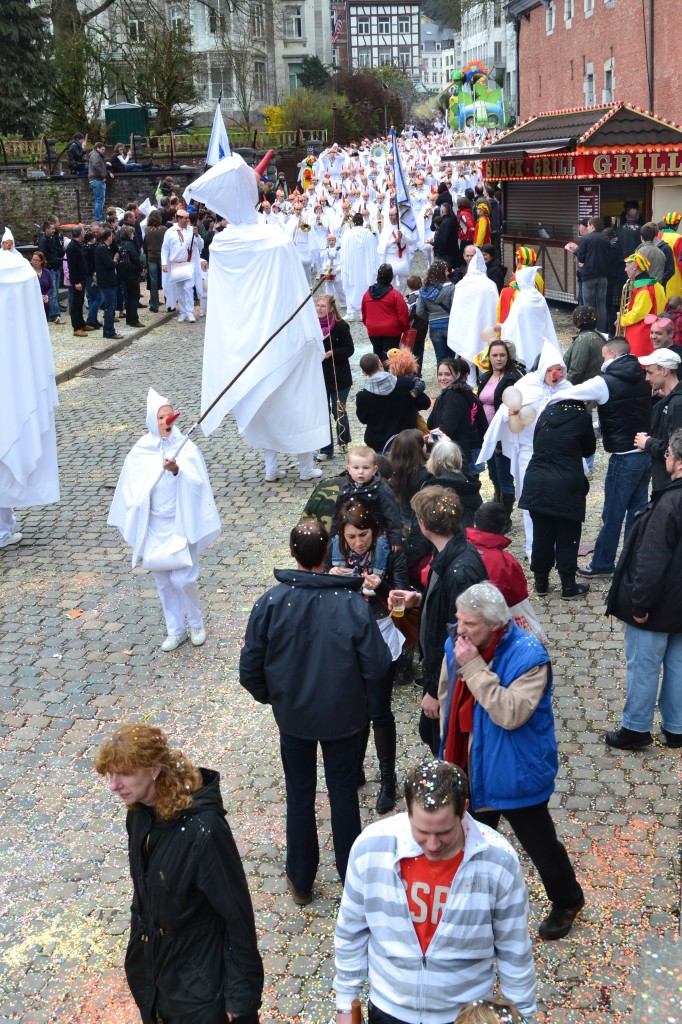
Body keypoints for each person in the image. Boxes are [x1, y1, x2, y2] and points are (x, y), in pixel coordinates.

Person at [239, 518, 392, 903]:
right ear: (328, 552)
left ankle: (302, 880)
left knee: (300, 793)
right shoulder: (350, 604)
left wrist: (276, 697)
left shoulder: (271, 602)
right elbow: (376, 664)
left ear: (293, 553)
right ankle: (351, 877)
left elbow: (250, 668)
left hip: (295, 719)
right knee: (342, 794)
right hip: (344, 717)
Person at [333, 760, 537, 1024]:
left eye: (444, 832)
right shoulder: (371, 847)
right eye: (422, 831)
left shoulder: (498, 860)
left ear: (464, 810)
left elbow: (514, 951)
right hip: (388, 1009)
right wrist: (346, 1007)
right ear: (406, 808)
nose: (432, 845)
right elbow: (351, 931)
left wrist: (523, 1017)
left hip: (463, 1016)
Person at [440, 582, 585, 939]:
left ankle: (568, 899)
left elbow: (510, 713)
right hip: (472, 769)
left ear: (494, 624)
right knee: (472, 847)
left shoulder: (529, 656)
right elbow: (447, 695)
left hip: (516, 772)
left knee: (541, 847)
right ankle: (477, 908)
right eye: (459, 620)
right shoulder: (457, 645)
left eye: (469, 623)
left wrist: (473, 668)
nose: (460, 630)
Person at [94, 723, 264, 1023]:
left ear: (155, 769)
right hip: (156, 974)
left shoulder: (205, 832)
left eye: (125, 774)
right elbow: (143, 893)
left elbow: (238, 918)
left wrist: (241, 996)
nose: (114, 785)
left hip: (199, 985)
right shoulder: (138, 814)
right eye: (111, 774)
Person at [185, 153, 330, 484]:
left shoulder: (221, 245)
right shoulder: (274, 238)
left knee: (263, 400)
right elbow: (296, 284)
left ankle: (272, 464)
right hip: (285, 332)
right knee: (298, 397)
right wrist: (310, 326)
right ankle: (304, 464)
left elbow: (223, 297)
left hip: (248, 339)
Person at [108, 388, 221, 651]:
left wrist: (176, 470)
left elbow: (198, 484)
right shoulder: (141, 451)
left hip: (180, 524)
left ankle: (195, 623)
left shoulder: (186, 448)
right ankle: (175, 628)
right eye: (160, 418)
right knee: (163, 582)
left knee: (184, 579)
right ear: (151, 422)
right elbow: (131, 487)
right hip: (155, 526)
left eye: (169, 416)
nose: (165, 422)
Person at [389, 486, 487, 754]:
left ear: (423, 524)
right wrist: (419, 600)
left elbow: (459, 638)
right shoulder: (449, 556)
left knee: (444, 745)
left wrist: (434, 691)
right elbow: (448, 610)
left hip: (450, 681)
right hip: (440, 674)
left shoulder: (459, 570)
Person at [545, 337, 652, 580]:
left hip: (623, 457)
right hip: (644, 455)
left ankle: (603, 562)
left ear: (613, 356)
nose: (602, 362)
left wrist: (547, 402)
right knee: (636, 513)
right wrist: (596, 426)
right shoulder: (643, 376)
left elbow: (566, 394)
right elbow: (624, 414)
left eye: (604, 357)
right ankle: (632, 563)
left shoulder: (605, 382)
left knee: (612, 514)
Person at [328, 502, 409, 812]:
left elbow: (403, 602)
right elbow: (320, 594)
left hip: (381, 634)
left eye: (363, 535)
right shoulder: (333, 550)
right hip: (347, 638)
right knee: (356, 707)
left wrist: (385, 587)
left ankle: (388, 779)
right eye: (351, 537)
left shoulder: (390, 551)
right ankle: (357, 768)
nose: (358, 542)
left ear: (374, 533)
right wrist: (330, 578)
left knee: (378, 709)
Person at [605, 427, 682, 750]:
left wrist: (639, 604)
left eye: (668, 453)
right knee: (677, 664)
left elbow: (650, 559)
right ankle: (677, 727)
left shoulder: (669, 504)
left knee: (645, 665)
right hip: (678, 603)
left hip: (659, 602)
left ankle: (635, 728)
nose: (664, 456)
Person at [479, 342, 572, 562]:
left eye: (557, 369)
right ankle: (534, 549)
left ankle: (555, 546)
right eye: (549, 369)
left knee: (555, 501)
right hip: (528, 453)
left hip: (556, 455)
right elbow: (503, 414)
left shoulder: (568, 389)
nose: (554, 374)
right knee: (530, 503)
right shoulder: (526, 385)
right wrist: (511, 414)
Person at [0, 246, 60, 549]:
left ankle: (4, 527)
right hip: (16, 367)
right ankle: (3, 527)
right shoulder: (19, 269)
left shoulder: (18, 269)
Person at [518, 397, 595, 598]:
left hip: (536, 481)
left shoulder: (545, 414)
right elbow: (589, 450)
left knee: (542, 535)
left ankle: (541, 584)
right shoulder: (583, 417)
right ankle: (568, 586)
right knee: (567, 535)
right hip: (566, 484)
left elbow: (537, 444)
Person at [476, 340, 521, 524]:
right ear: (489, 358)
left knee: (504, 477)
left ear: (507, 356)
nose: (498, 358)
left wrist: (501, 442)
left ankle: (505, 518)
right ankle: (498, 509)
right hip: (488, 437)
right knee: (493, 474)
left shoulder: (513, 378)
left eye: (502, 355)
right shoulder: (485, 377)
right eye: (494, 355)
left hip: (503, 436)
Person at [355, 353, 430, 455]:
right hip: (407, 443)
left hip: (379, 445)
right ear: (380, 363)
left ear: (363, 372)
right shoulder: (406, 383)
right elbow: (426, 404)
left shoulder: (362, 396)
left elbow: (363, 419)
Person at [331, 444, 403, 549]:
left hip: (377, 533)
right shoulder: (346, 489)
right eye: (356, 468)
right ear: (348, 469)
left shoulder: (382, 490)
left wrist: (395, 539)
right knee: (338, 544)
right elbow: (337, 514)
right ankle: (339, 564)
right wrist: (333, 534)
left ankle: (378, 566)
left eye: (365, 468)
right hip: (351, 532)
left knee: (381, 549)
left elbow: (392, 516)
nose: (361, 472)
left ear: (374, 470)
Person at [427, 357, 488, 473]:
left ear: (457, 375)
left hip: (456, 454)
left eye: (447, 374)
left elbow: (446, 430)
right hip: (465, 450)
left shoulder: (453, 396)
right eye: (439, 374)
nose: (442, 378)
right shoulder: (464, 393)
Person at [447, 248, 499, 382]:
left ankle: (470, 384)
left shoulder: (461, 285)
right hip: (485, 327)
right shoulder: (489, 285)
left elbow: (457, 310)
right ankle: (484, 384)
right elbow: (494, 308)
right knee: (485, 361)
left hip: (466, 329)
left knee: (467, 362)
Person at [634, 349, 682, 490]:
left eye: (650, 372)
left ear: (665, 371)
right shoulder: (669, 400)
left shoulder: (677, 403)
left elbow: (677, 449)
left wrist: (648, 443)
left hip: (671, 486)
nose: (647, 378)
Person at [499, 265, 560, 371]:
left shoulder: (521, 299)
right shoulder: (539, 297)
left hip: (525, 340)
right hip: (541, 338)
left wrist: (502, 327)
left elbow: (513, 323)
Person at [316, 293, 354, 459]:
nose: (319, 308)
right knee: (322, 413)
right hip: (319, 377)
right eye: (317, 305)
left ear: (331, 308)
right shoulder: (313, 327)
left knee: (338, 411)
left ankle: (343, 441)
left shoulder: (340, 326)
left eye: (323, 306)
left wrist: (333, 353)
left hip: (339, 377)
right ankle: (326, 450)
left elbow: (349, 349)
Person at [618, 252, 666, 357]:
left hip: (641, 335)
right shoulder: (657, 285)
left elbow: (638, 313)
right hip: (654, 331)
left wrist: (622, 320)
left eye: (627, 266)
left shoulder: (643, 289)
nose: (625, 269)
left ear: (635, 267)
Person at [426, 439, 481, 528]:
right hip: (468, 536)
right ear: (459, 459)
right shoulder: (470, 486)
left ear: (435, 460)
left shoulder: (432, 490)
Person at [361, 263, 410, 359]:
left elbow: (364, 314)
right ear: (391, 277)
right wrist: (405, 328)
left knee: (378, 357)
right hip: (392, 331)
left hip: (373, 330)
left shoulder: (367, 294)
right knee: (391, 359)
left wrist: (370, 325)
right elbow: (403, 314)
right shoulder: (394, 295)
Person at [340, 213, 379, 320]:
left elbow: (343, 252)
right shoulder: (369, 234)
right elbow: (374, 252)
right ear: (362, 222)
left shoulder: (347, 234)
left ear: (353, 222)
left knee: (350, 285)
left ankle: (351, 312)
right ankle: (364, 311)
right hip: (366, 267)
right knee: (364, 285)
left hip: (351, 267)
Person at [415, 259, 455, 365]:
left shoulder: (424, 291)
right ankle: (455, 380)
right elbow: (455, 306)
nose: (448, 273)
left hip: (434, 325)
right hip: (450, 324)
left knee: (440, 357)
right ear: (441, 272)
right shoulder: (451, 287)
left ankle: (442, 380)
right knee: (453, 357)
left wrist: (430, 317)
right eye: (446, 271)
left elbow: (419, 311)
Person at [575, 217, 611, 333]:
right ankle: (601, 331)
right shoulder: (606, 239)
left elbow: (580, 256)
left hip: (589, 276)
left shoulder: (586, 239)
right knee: (601, 304)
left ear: (592, 226)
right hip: (603, 276)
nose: (588, 228)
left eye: (589, 226)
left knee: (588, 305)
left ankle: (589, 330)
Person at [163, 208, 196, 323]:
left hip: (189, 263)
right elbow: (165, 249)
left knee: (188, 288)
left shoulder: (192, 230)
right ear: (178, 218)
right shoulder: (170, 231)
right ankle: (182, 312)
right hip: (176, 265)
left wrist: (197, 236)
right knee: (180, 290)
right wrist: (164, 263)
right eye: (185, 218)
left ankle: (190, 312)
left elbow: (200, 246)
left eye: (188, 218)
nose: (187, 220)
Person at [94, 227, 123, 341]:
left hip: (109, 280)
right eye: (111, 236)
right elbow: (110, 264)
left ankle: (109, 330)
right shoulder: (102, 249)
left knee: (111, 306)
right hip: (107, 281)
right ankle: (109, 331)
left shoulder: (105, 248)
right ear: (108, 237)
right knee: (110, 307)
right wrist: (115, 259)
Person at [563, 306, 604, 384]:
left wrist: (564, 388)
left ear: (576, 322)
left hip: (585, 386)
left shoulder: (583, 340)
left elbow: (576, 370)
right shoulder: (599, 335)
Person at [117, 225, 144, 328]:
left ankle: (129, 319)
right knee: (134, 297)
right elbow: (135, 259)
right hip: (131, 273)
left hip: (123, 273)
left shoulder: (120, 244)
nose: (133, 235)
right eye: (132, 233)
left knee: (128, 296)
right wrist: (140, 268)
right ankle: (134, 319)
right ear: (129, 234)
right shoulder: (130, 245)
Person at [37, 220, 64, 323]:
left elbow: (56, 250)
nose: (54, 230)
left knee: (55, 292)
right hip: (51, 269)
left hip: (56, 267)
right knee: (52, 293)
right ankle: (55, 314)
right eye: (52, 228)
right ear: (46, 229)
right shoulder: (43, 240)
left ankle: (55, 313)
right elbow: (42, 254)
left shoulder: (52, 239)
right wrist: (49, 264)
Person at [65, 226, 89, 336]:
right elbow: (72, 266)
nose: (85, 233)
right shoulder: (72, 247)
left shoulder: (78, 245)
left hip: (82, 278)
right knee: (75, 304)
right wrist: (76, 282)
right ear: (80, 233)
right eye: (83, 231)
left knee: (80, 303)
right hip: (77, 279)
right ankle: (76, 327)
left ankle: (82, 323)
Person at [143, 210, 166, 314]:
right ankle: (169, 303)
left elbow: (145, 245)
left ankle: (154, 304)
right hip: (162, 257)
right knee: (165, 280)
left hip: (152, 256)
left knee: (153, 281)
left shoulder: (147, 230)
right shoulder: (164, 229)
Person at [88, 142, 111, 222]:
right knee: (99, 200)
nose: (103, 151)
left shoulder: (96, 155)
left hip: (95, 179)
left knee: (99, 200)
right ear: (97, 148)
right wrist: (103, 176)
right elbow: (96, 166)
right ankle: (98, 219)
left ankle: (98, 218)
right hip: (97, 179)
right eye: (102, 149)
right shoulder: (95, 155)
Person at [31, 251, 53, 318]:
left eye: (37, 260)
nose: (35, 262)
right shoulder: (29, 272)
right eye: (33, 260)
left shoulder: (46, 272)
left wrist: (46, 295)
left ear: (41, 261)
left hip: (45, 302)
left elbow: (51, 287)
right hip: (33, 302)